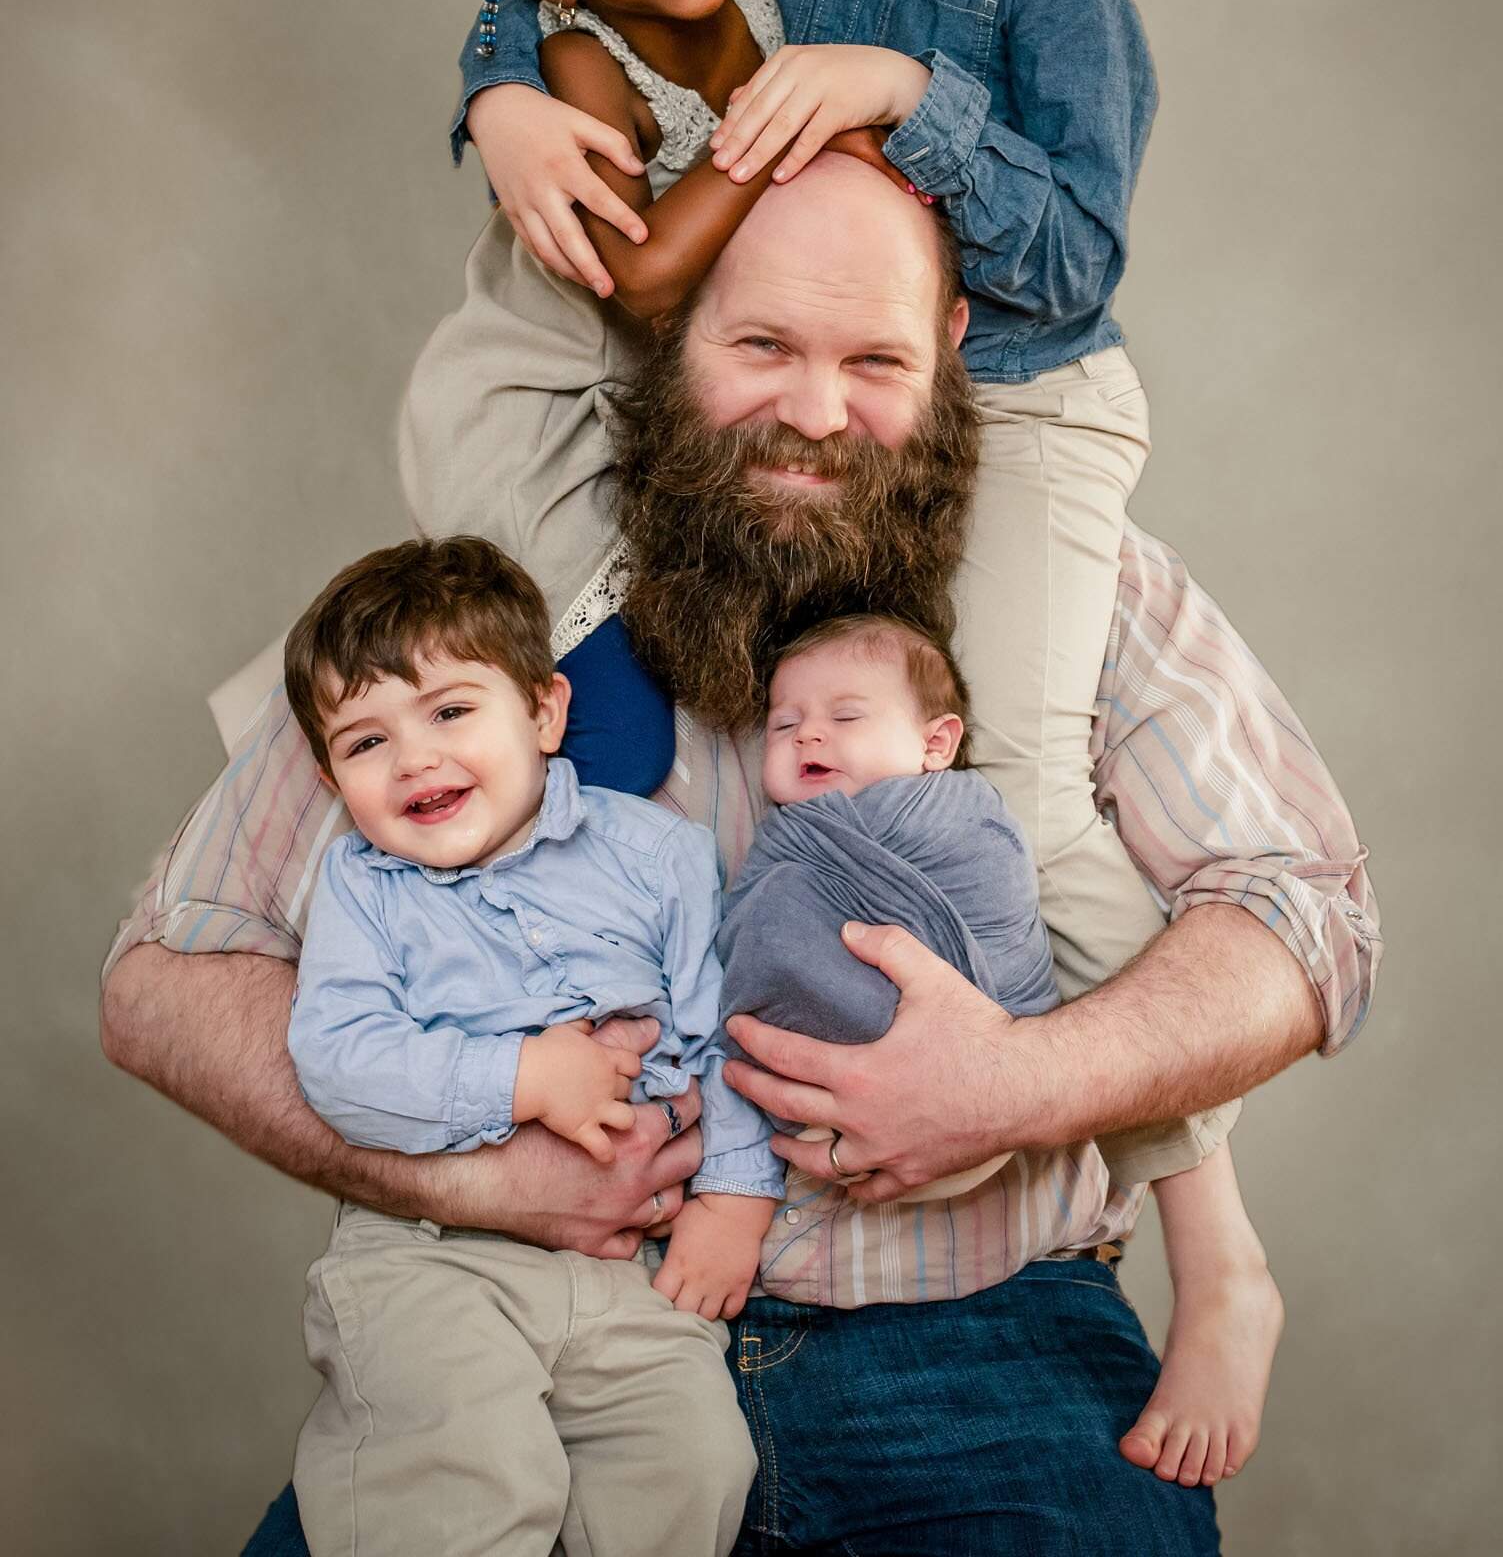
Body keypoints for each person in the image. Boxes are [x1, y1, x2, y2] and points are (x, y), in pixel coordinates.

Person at [102, 153, 1381, 1553]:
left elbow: (1302, 916)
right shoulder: (501, 600)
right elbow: (163, 977)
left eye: (874, 358)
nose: (814, 415)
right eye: (760, 344)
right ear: (668, 327)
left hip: (971, 1345)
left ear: (949, 347)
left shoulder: (1066, 583)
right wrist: (471, 1178)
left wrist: (1021, 1083)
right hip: (541, 1320)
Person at [439, 0, 1277, 1477]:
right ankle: (727, 1164)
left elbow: (1071, 258)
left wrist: (911, 96)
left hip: (1027, 398)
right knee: (778, 764)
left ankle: (1210, 1237)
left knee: (1027, 803)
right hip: (832, 420)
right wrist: (490, 76)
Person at [279, 535, 779, 1557]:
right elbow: (337, 1057)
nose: (414, 759)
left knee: (695, 1456)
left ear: (545, 713)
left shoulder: (656, 854)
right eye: (364, 742)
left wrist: (734, 1197)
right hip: (430, 1255)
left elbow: (721, 1031)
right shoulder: (363, 888)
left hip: (625, 1265)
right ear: (331, 772)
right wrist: (522, 1075)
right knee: (467, 1472)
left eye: (452, 711)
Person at [720, 612, 1059, 1204]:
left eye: (845, 716)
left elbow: (997, 906)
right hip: (811, 1100)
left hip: (986, 1076)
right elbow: (745, 926)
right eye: (784, 724)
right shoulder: (789, 834)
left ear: (935, 744)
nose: (807, 735)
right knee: (775, 913)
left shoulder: (962, 815)